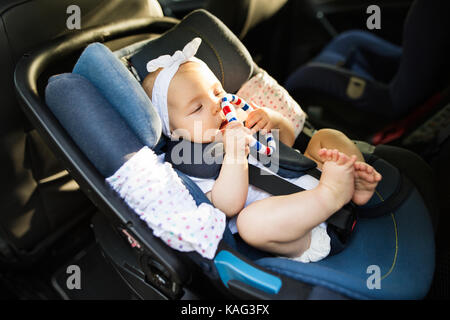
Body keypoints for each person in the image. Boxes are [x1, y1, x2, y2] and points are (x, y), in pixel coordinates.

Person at [142, 38, 381, 263]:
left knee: (325, 136)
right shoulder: (189, 163)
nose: (216, 106)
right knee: (250, 224)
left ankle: (356, 181)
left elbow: (286, 146)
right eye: (197, 108)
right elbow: (227, 206)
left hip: (312, 176)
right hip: (297, 227)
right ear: (173, 131)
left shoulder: (242, 118)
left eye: (216, 92)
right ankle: (331, 196)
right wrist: (235, 155)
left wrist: (273, 120)